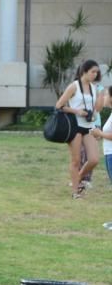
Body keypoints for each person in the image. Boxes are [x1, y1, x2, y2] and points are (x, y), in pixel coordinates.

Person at [55, 60, 104, 199]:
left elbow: (96, 108)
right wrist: (77, 111)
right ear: (84, 71)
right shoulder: (74, 86)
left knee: (94, 159)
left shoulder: (94, 88)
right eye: (93, 72)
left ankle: (78, 178)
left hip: (88, 127)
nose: (95, 75)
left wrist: (94, 112)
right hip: (75, 127)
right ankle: (76, 193)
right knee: (76, 160)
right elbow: (59, 105)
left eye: (97, 72)